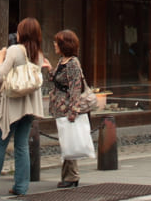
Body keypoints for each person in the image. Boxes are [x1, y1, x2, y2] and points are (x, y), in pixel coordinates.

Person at [0, 17, 50, 195]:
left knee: (0, 145)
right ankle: (21, 187)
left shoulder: (15, 50)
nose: (16, 34)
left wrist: (1, 58)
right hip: (29, 106)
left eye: (18, 30)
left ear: (22, 33)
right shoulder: (39, 54)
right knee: (21, 146)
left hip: (13, 105)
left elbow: (1, 74)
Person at [48, 29, 91, 189]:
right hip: (61, 108)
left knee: (69, 142)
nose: (54, 44)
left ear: (64, 45)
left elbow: (75, 88)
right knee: (66, 141)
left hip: (67, 109)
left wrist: (73, 111)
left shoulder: (72, 63)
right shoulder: (62, 61)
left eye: (57, 42)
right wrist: (49, 68)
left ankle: (71, 176)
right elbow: (56, 79)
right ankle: (69, 176)